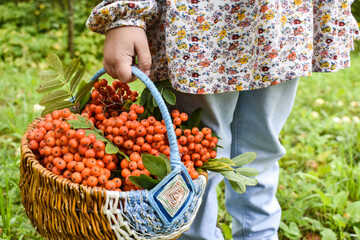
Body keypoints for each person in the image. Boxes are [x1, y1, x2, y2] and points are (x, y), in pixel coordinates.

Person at [86, 1, 359, 239]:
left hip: (279, 17)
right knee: (195, 159)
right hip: (201, 22)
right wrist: (127, 14)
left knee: (259, 150)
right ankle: (192, 235)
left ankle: (260, 235)